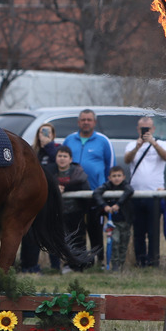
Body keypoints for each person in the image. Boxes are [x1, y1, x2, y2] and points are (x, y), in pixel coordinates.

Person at [62, 109, 115, 258]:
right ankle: (79, 260)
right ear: (78, 122)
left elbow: (110, 167)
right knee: (76, 229)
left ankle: (99, 261)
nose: (86, 122)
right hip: (74, 195)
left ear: (94, 122)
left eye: (89, 120)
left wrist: (106, 190)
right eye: (83, 120)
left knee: (95, 229)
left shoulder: (103, 141)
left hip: (95, 194)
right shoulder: (69, 140)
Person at [124, 116, 166, 268]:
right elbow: (126, 160)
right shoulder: (132, 144)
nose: (145, 131)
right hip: (136, 194)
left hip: (154, 195)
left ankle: (153, 261)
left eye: (148, 129)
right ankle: (140, 261)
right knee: (138, 232)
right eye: (142, 128)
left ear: (153, 129)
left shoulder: (161, 144)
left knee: (153, 231)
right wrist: (137, 147)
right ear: (138, 129)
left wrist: (153, 142)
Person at [19, 122, 60, 273]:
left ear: (53, 135)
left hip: (51, 197)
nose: (44, 135)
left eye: (48, 132)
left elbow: (59, 165)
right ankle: (28, 265)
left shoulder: (57, 149)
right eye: (42, 133)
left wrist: (49, 146)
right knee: (30, 233)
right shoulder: (33, 151)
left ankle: (55, 267)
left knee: (50, 231)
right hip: (33, 197)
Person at [43, 145, 90, 273]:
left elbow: (85, 190)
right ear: (56, 158)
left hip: (75, 212)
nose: (62, 159)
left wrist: (66, 189)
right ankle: (56, 267)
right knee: (55, 239)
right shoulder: (49, 172)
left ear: (70, 159)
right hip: (55, 213)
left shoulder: (78, 173)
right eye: (59, 156)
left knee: (77, 239)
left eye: (65, 156)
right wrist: (55, 189)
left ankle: (79, 266)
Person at [92, 165, 134, 272]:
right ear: (109, 177)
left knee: (124, 244)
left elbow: (130, 190)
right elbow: (96, 192)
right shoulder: (107, 186)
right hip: (113, 222)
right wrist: (104, 206)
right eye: (114, 176)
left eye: (119, 176)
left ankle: (121, 265)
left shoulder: (126, 186)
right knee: (114, 242)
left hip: (125, 221)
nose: (116, 178)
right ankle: (115, 265)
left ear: (124, 177)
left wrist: (118, 204)